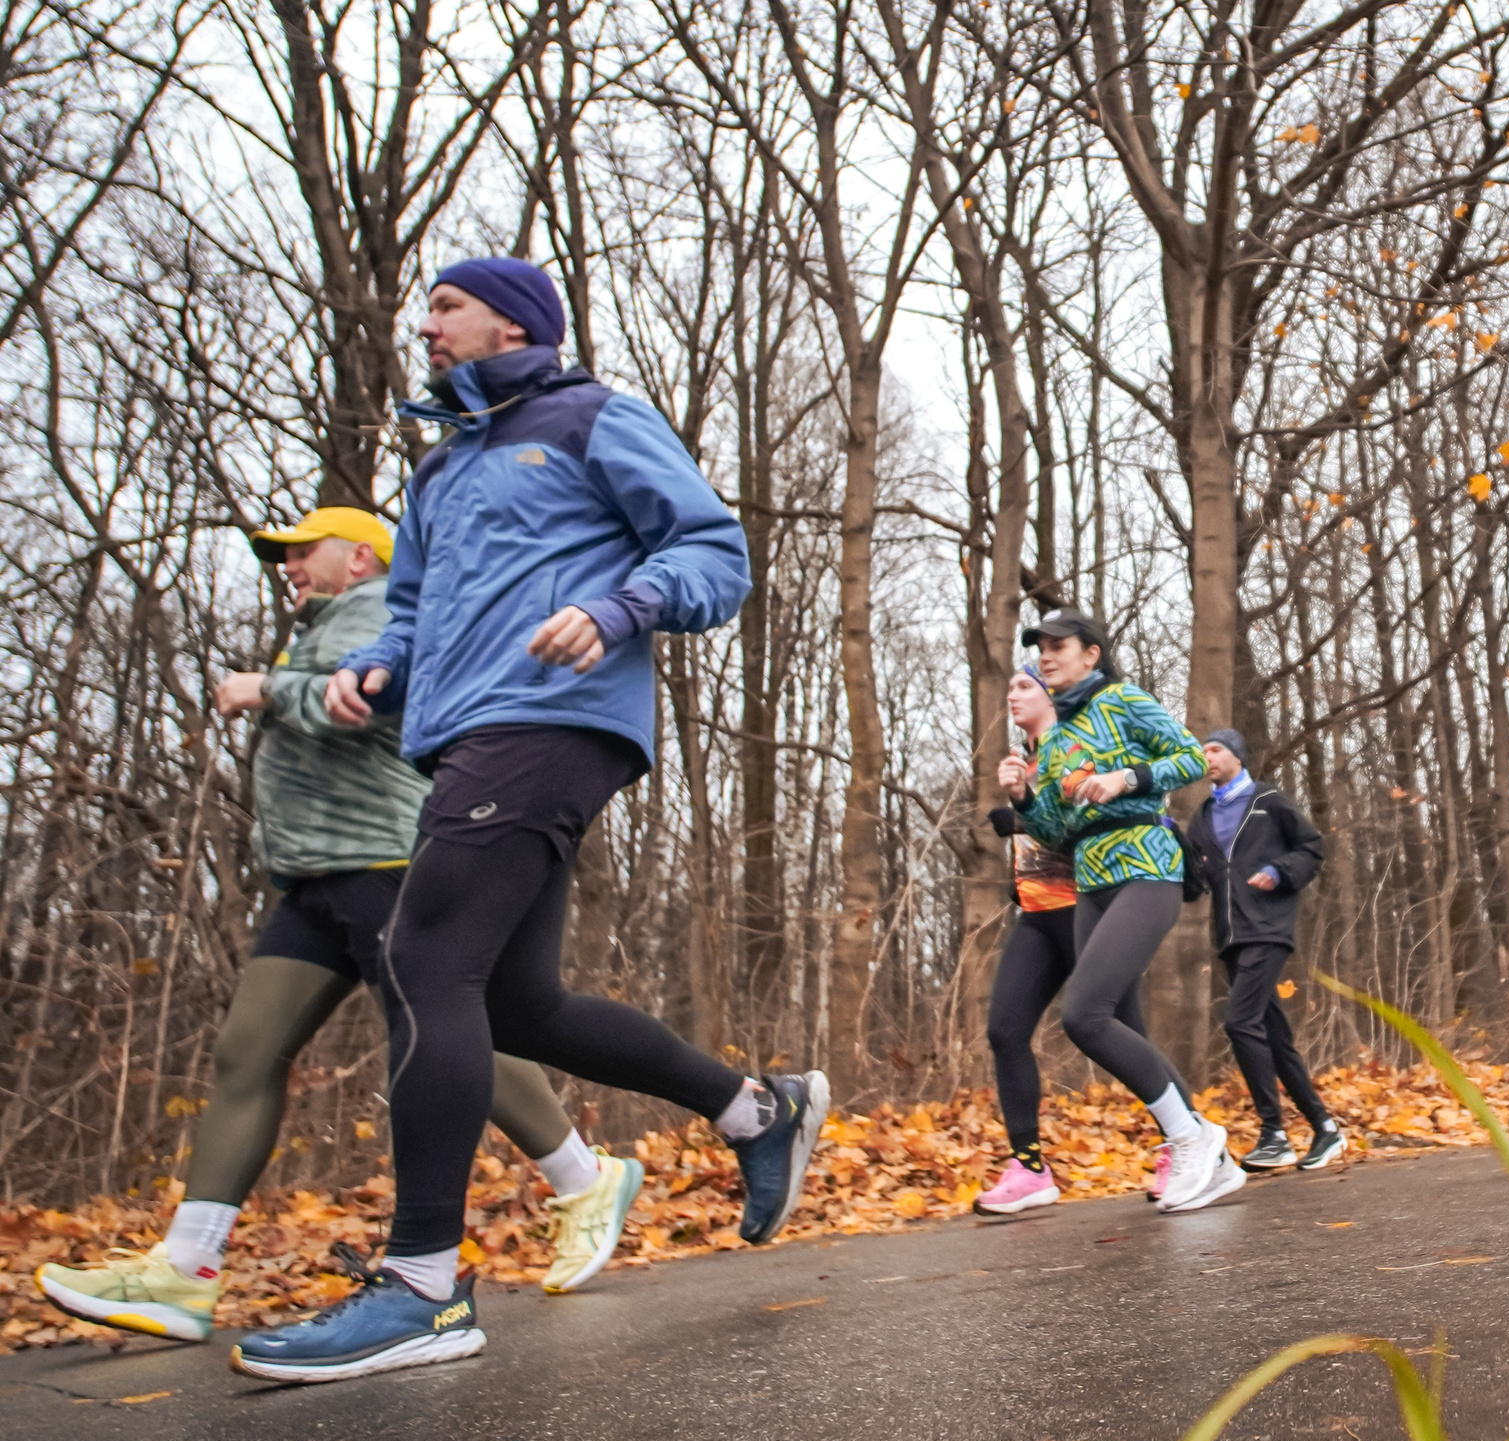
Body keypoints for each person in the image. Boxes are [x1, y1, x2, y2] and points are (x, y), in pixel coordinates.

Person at [230, 258, 828, 1384]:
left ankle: (421, 1287)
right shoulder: (438, 469)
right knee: (514, 999)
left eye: (446, 305)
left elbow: (712, 551)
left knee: (421, 961)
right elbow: (413, 613)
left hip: (554, 715)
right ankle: (755, 1110)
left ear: (513, 318)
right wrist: (373, 670)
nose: (428, 324)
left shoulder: (591, 416)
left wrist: (614, 610)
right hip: (467, 733)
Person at [36, 509, 641, 1341]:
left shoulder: (381, 609)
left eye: (300, 549)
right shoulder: (324, 621)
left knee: (446, 1031)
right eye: (280, 554)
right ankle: (183, 1268)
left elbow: (370, 702)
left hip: (386, 861)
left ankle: (582, 1180)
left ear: (359, 555)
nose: (286, 564)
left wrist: (266, 689)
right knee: (248, 1050)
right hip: (315, 877)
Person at [1005, 607, 1237, 1212]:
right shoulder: (1055, 737)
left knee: (1084, 1014)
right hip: (1090, 879)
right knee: (1110, 1024)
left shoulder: (1125, 701)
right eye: (1040, 647)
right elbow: (1055, 830)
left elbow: (1190, 759)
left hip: (1146, 867)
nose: (1047, 655)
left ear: (1092, 654)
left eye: (1060, 646)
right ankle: (1205, 1150)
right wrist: (1026, 798)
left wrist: (1126, 779)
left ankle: (1193, 1138)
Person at [976, 668, 1193, 1212]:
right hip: (1035, 910)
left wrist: (1027, 808)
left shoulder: (1073, 742)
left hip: (1086, 902)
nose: (1013, 694)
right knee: (1004, 1030)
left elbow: (1089, 814)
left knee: (1121, 1031)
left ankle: (1187, 1141)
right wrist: (1019, 802)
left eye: (1025, 686)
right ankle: (1029, 1168)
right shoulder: (1021, 757)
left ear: (1054, 697)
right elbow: (1043, 824)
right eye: (1011, 687)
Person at [1183, 728, 1348, 1171]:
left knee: (1239, 1023)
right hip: (1230, 937)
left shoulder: (1268, 801)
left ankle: (1273, 1132)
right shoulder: (1200, 818)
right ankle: (1324, 1127)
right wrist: (1172, 847)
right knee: (1272, 1035)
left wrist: (1279, 870)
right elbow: (1194, 887)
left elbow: (1312, 848)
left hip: (1268, 928)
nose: (1208, 758)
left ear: (1237, 756)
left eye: (1215, 750)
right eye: (1203, 753)